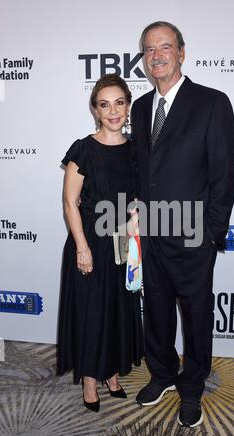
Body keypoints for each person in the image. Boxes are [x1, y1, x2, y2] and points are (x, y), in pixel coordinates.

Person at [131, 21, 234, 427]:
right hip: (151, 232)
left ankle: (192, 387)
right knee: (155, 310)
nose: (156, 55)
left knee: (195, 316)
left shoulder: (212, 102)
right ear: (143, 58)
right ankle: (162, 374)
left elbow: (223, 174)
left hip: (194, 234)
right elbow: (143, 170)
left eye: (165, 47)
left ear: (181, 52)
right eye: (149, 49)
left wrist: (212, 232)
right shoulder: (141, 108)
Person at [57, 74, 143, 413]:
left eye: (119, 103)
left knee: (118, 311)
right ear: (95, 109)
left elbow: (141, 195)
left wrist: (136, 222)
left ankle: (112, 373)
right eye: (104, 104)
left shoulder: (137, 149)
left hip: (122, 242)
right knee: (92, 313)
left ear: (128, 107)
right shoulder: (83, 148)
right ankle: (90, 380)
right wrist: (82, 247)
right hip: (90, 242)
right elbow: (69, 202)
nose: (112, 111)